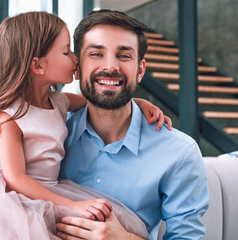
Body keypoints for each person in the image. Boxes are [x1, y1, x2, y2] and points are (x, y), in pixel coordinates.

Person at [0, 11, 172, 240]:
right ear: (38, 66)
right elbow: (16, 179)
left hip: (53, 189)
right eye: (67, 52)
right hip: (20, 198)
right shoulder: (9, 117)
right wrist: (71, 204)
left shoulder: (59, 102)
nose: (76, 59)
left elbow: (100, 97)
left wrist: (139, 102)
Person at [57, 9, 209, 240]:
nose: (110, 67)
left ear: (140, 71)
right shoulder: (50, 134)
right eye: (96, 54)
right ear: (77, 68)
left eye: (124, 56)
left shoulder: (179, 153)